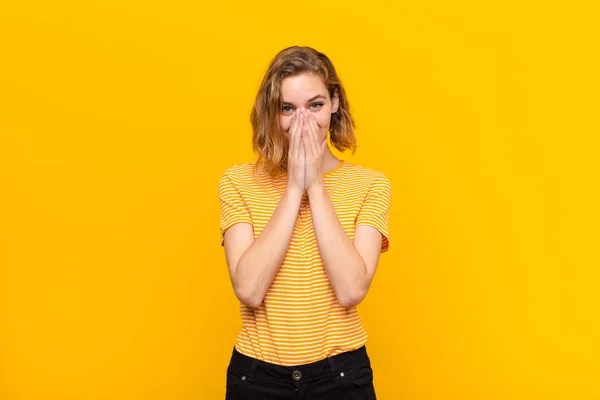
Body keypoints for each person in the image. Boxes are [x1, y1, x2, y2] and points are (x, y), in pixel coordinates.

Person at [218, 45, 392, 400]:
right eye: (288, 109)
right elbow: (249, 290)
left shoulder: (371, 185)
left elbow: (351, 290)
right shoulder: (237, 182)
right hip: (257, 378)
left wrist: (315, 185)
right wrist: (295, 187)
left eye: (315, 105)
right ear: (273, 114)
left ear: (335, 103)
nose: (303, 121)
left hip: (341, 376)